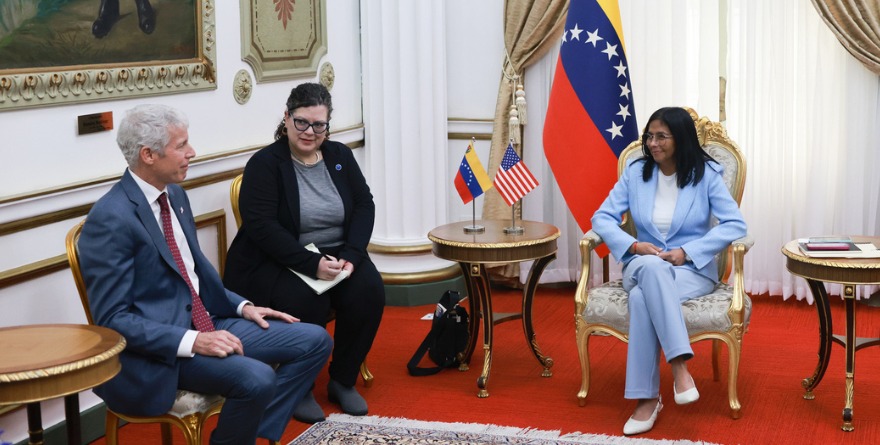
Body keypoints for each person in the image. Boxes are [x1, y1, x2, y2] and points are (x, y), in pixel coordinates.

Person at [78, 104, 332, 445]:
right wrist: (194, 341)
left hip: (208, 319)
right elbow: (114, 320)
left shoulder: (175, 195)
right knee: (257, 378)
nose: (192, 152)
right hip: (163, 351)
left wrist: (243, 307)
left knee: (315, 340)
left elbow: (192, 276)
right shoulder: (110, 218)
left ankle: (244, 434)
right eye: (181, 145)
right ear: (148, 155)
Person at [224, 83, 385, 422]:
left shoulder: (340, 156)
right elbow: (263, 228)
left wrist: (352, 256)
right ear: (286, 118)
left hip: (337, 253)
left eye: (319, 125)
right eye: (302, 122)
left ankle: (342, 379)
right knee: (306, 299)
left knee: (368, 290)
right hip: (278, 258)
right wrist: (312, 264)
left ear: (328, 125)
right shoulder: (265, 164)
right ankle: (300, 385)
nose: (310, 132)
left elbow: (363, 204)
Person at [591, 107, 747, 436]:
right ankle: (679, 368)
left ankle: (646, 400)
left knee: (641, 299)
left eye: (661, 136)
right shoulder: (635, 172)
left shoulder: (706, 175)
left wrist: (687, 251)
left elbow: (735, 224)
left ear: (681, 138)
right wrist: (634, 246)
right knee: (650, 267)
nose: (652, 143)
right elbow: (601, 218)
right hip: (641, 264)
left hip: (690, 270)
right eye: (649, 136)